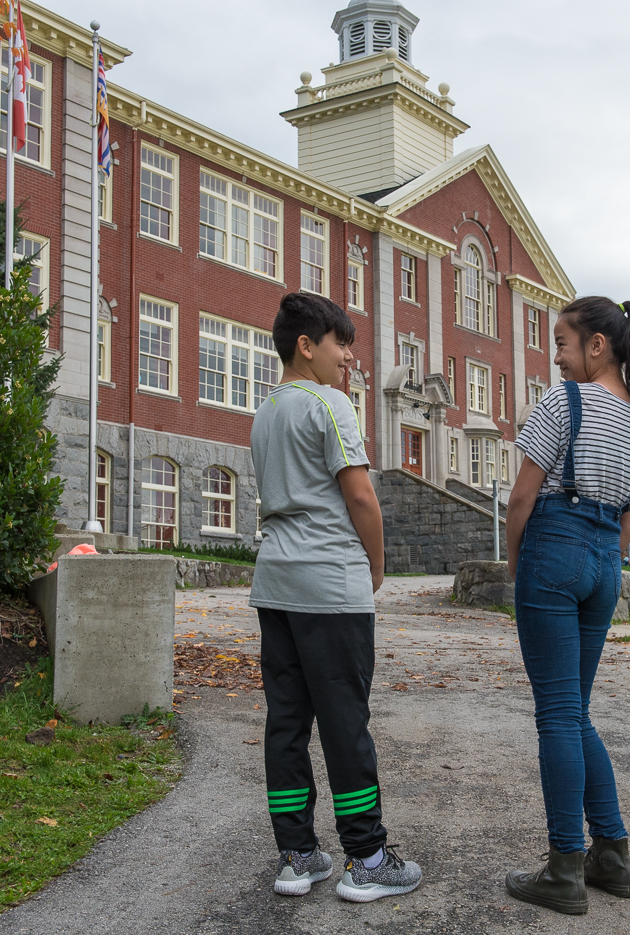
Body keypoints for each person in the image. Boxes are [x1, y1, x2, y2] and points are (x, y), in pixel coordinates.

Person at [249, 292, 423, 903]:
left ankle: (297, 857)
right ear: (307, 345)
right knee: (346, 724)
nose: (348, 357)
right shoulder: (331, 405)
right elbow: (361, 499)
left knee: (288, 723)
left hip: (276, 584)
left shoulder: (266, 410)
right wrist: (375, 567)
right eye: (340, 343)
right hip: (331, 585)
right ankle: (367, 858)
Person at [502, 296, 630, 915]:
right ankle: (614, 856)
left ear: (597, 345)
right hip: (605, 562)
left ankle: (565, 868)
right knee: (576, 711)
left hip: (554, 549)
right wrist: (601, 558)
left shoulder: (564, 403)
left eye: (563, 344)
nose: (558, 357)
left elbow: (522, 498)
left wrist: (519, 566)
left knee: (556, 715)